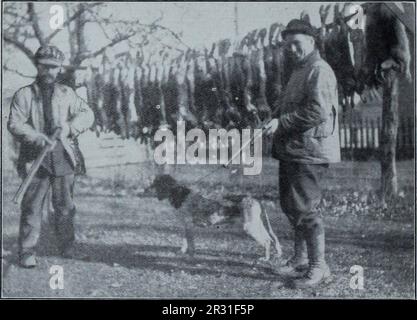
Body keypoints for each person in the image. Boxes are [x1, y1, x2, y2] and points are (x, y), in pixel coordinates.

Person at [265, 19, 341, 288]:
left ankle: (319, 267)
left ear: (311, 42)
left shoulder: (319, 69)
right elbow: (288, 104)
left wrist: (282, 123)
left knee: (304, 209)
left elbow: (317, 110)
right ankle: (299, 260)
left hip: (311, 151)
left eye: (297, 44)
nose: (292, 50)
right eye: (288, 46)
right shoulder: (299, 70)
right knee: (291, 206)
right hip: (293, 149)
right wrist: (274, 115)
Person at [7, 46, 94, 268]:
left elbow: (87, 114)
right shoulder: (24, 94)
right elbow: (15, 124)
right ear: (38, 66)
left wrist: (69, 128)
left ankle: (67, 247)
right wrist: (36, 137)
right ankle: (27, 251)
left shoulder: (66, 93)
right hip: (34, 157)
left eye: (55, 68)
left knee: (65, 205)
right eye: (46, 66)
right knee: (32, 205)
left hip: (62, 155)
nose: (50, 72)